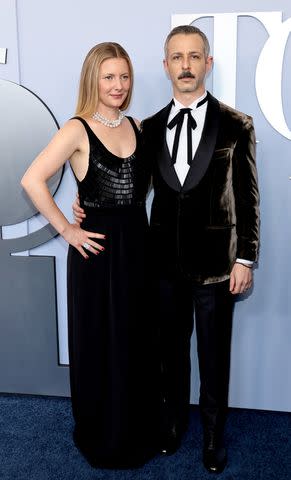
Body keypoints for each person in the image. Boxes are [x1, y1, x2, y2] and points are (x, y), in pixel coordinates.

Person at [73, 26, 260, 474]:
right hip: (160, 266)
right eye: (177, 57)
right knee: (169, 355)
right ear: (165, 66)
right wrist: (84, 203)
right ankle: (172, 424)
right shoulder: (147, 127)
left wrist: (246, 257)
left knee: (214, 359)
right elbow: (125, 183)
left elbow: (249, 197)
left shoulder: (237, 124)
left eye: (195, 57)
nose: (186, 66)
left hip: (218, 266)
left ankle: (214, 436)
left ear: (208, 64)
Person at [21, 42, 160, 469]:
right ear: (93, 80)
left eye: (124, 76)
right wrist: (67, 228)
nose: (118, 85)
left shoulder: (136, 125)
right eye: (109, 77)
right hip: (96, 254)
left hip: (138, 246)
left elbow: (140, 189)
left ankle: (138, 429)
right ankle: (103, 435)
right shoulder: (76, 128)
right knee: (100, 341)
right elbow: (32, 179)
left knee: (136, 340)